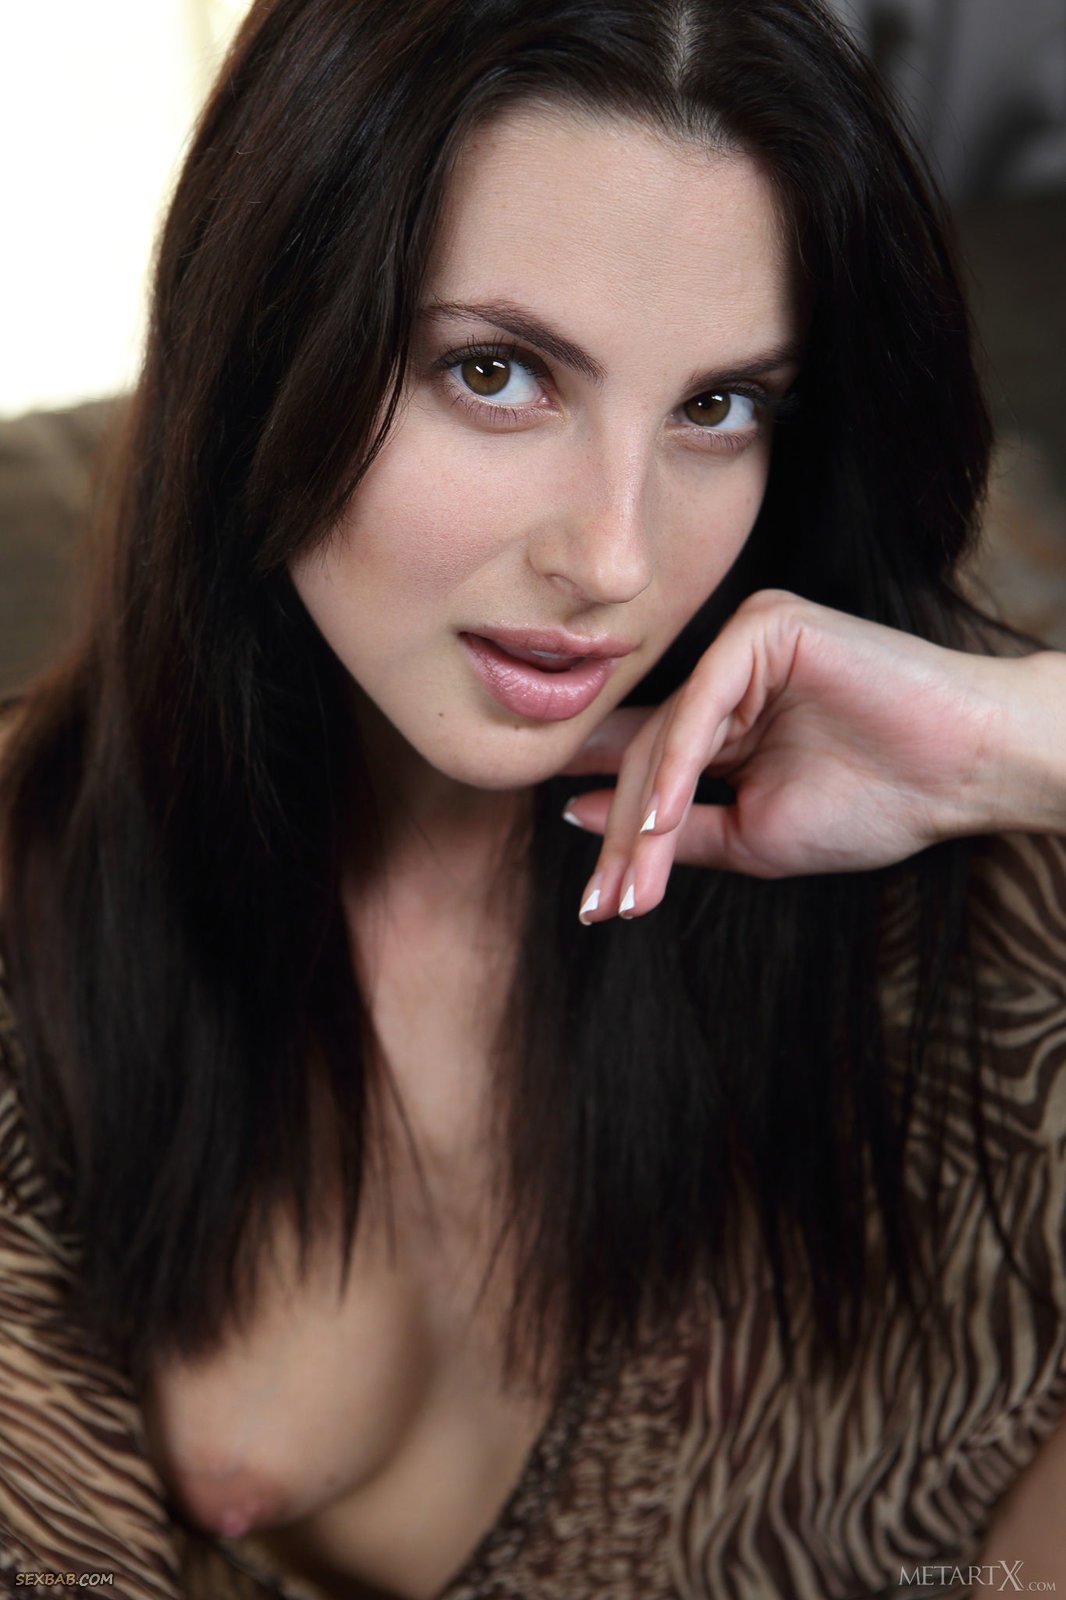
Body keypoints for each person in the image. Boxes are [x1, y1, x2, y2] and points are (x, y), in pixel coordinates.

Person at [0, 2, 1064, 1597]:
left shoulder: (951, 847)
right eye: (494, 374)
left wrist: (1019, 744)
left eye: (719, 406)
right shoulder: (38, 944)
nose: (615, 559)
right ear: (260, 327)